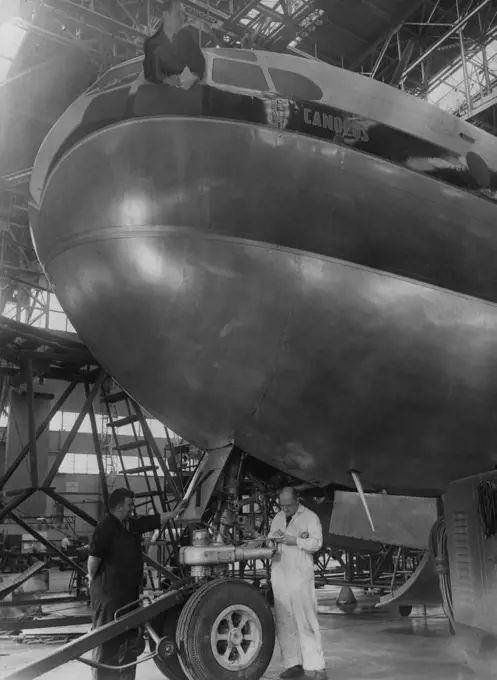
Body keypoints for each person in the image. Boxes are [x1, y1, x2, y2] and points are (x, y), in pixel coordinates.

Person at [87, 488, 183, 680]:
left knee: (128, 641)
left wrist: (174, 513)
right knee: (107, 642)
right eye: (130, 504)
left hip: (127, 595)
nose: (133, 508)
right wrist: (92, 579)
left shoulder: (127, 524)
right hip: (109, 597)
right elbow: (94, 558)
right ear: (120, 506)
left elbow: (150, 522)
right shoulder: (107, 526)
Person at [269, 486, 327, 680]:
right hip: (280, 574)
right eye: (282, 505)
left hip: (300, 576)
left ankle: (317, 667)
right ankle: (293, 664)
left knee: (306, 620)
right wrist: (271, 541)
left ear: (297, 501)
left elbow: (316, 543)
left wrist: (294, 540)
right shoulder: (277, 518)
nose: (284, 509)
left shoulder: (310, 517)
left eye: (288, 506)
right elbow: (271, 538)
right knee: (284, 620)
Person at [142, 0, 205, 90]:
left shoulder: (188, 37)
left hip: (187, 96)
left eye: (184, 15)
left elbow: (200, 65)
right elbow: (150, 74)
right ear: (166, 15)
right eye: (179, 14)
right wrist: (166, 80)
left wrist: (192, 78)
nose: (183, 19)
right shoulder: (151, 43)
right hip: (162, 97)